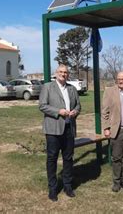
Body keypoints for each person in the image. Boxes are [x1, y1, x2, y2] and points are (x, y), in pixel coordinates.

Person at [39, 64, 81, 201]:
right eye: (61, 72)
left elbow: (78, 105)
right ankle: (53, 188)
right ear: (56, 73)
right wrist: (58, 111)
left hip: (69, 128)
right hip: (53, 129)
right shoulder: (48, 87)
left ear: (68, 74)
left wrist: (75, 111)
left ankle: (67, 186)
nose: (63, 74)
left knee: (68, 158)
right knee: (52, 158)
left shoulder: (72, 88)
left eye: (66, 72)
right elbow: (42, 106)